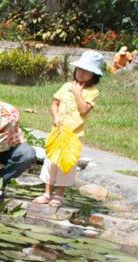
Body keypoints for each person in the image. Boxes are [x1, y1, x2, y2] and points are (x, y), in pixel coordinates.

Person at [34, 51, 104, 208]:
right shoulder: (66, 86)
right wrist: (55, 116)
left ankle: (59, 194)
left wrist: (78, 93)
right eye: (79, 69)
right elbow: (55, 103)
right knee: (51, 161)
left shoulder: (92, 92)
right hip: (57, 131)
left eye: (86, 71)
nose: (81, 73)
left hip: (73, 134)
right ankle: (46, 193)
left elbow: (84, 110)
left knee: (66, 164)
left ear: (94, 75)